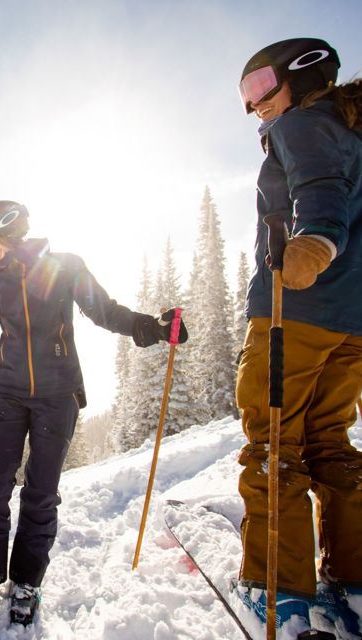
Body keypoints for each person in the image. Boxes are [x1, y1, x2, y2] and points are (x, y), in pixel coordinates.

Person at [0, 200, 187, 631]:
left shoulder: (65, 267)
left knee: (41, 492)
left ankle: (26, 583)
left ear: (8, 228)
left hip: (58, 396)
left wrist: (153, 328)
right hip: (7, 395)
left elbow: (104, 312)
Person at [235, 37, 362, 636]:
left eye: (259, 87)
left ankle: (277, 585)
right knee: (331, 442)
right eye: (246, 95)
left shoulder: (305, 124)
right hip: (353, 321)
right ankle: (354, 576)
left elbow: (320, 192)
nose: (253, 104)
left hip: (297, 309)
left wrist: (316, 240)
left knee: (273, 443)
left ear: (304, 74)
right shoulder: (351, 130)